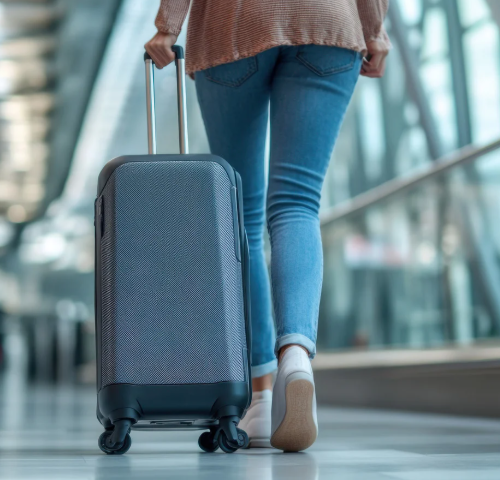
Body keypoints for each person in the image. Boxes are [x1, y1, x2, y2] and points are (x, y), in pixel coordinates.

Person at [145, 0, 390, 452]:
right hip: (328, 21)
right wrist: (374, 30)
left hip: (234, 23)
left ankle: (261, 393)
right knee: (298, 202)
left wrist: (167, 27)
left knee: (241, 214)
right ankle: (296, 354)